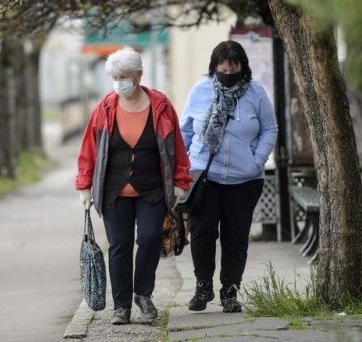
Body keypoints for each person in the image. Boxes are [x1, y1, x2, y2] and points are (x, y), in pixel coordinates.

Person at [75, 47, 192, 325]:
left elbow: (176, 147)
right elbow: (89, 150)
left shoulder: (160, 106)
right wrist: (84, 186)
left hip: (152, 189)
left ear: (139, 75)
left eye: (124, 76)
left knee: (150, 239)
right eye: (115, 77)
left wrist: (180, 181)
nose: (119, 82)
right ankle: (122, 306)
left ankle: (143, 293)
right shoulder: (104, 108)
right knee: (119, 246)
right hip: (114, 192)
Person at [179, 40, 278, 313]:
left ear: (242, 66)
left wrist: (256, 161)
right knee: (202, 233)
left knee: (236, 237)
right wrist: (187, 165)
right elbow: (184, 132)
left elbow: (270, 128)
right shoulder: (199, 91)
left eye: (234, 63)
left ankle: (230, 292)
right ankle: (203, 287)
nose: (228, 68)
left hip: (245, 180)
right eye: (223, 63)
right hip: (204, 177)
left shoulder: (256, 94)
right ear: (214, 65)